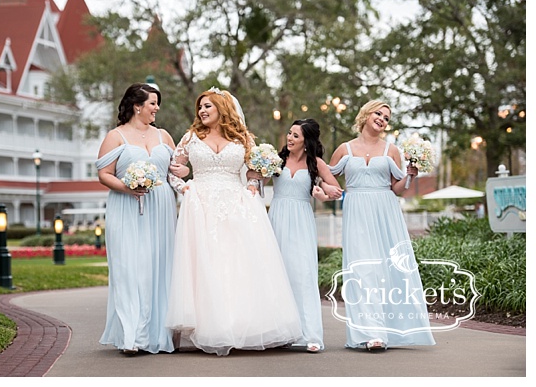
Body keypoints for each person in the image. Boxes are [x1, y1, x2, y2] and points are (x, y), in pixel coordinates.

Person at [164, 87, 302, 356]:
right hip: (200, 203)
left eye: (208, 106)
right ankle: (209, 326)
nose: (202, 111)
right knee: (206, 263)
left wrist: (252, 185)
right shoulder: (191, 137)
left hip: (236, 204)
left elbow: (254, 172)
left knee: (236, 263)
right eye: (200, 107)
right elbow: (173, 172)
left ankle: (239, 324)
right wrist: (184, 189)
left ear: (222, 109)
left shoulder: (243, 138)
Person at [328, 100, 435, 351]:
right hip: (356, 210)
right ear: (365, 114)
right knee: (362, 270)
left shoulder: (392, 150)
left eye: (386, 117)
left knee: (386, 270)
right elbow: (329, 174)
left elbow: (395, 188)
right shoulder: (344, 149)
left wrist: (410, 174)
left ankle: (387, 332)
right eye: (379, 113)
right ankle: (369, 333)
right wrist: (333, 190)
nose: (382, 119)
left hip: (385, 211)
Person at [94, 83, 177, 355]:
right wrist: (127, 188)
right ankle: (132, 336)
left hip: (162, 208)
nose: (157, 108)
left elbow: (175, 171)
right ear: (137, 106)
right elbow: (104, 174)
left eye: (157, 103)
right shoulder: (116, 136)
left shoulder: (164, 136)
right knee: (131, 268)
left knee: (158, 267)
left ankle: (157, 334)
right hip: (127, 207)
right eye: (152, 103)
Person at [266, 118, 343, 353]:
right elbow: (254, 179)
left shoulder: (316, 163)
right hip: (276, 218)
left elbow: (337, 192)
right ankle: (279, 333)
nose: (289, 138)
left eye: (295, 136)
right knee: (278, 275)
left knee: (303, 274)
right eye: (289, 133)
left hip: (301, 220)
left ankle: (310, 335)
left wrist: (324, 192)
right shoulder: (275, 160)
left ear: (306, 142)